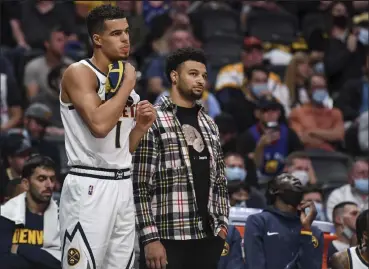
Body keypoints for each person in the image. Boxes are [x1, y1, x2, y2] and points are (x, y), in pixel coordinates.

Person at [58, 5, 156, 269]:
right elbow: (99, 125)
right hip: (90, 184)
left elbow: (124, 148)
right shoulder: (79, 72)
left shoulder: (125, 82)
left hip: (123, 184)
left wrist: (140, 128)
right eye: (116, 33)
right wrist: (127, 84)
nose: (125, 39)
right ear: (97, 39)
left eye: (126, 32)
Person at [132, 47, 229, 269]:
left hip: (207, 239)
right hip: (167, 238)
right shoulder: (153, 120)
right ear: (174, 76)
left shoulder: (210, 124)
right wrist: (150, 238)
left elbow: (220, 182)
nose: (200, 81)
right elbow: (139, 185)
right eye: (193, 74)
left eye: (204, 76)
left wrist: (222, 227)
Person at [244, 173, 323, 269]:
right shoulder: (258, 222)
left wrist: (306, 230)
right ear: (273, 190)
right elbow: (254, 264)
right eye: (286, 178)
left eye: (295, 178)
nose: (295, 181)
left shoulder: (314, 232)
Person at [0, 155, 61, 269]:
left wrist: (20, 248)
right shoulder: (6, 215)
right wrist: (43, 258)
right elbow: (3, 263)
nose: (49, 185)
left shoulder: (62, 217)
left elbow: (65, 263)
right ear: (26, 184)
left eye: (52, 179)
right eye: (42, 179)